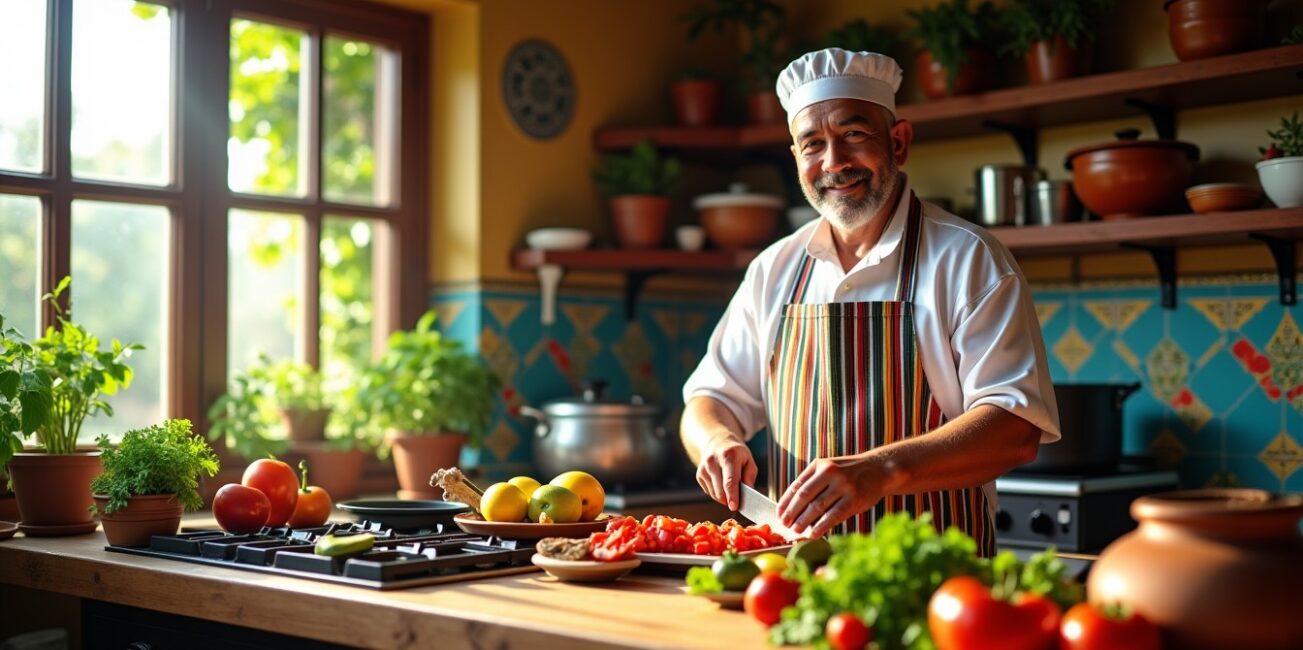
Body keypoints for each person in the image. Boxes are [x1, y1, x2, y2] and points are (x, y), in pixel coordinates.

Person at [679, 48, 1060, 555]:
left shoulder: (968, 258)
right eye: (813, 145)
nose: (834, 162)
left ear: (898, 142)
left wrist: (881, 470)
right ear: (796, 159)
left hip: (938, 579)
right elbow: (711, 400)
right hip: (797, 577)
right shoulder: (774, 269)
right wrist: (716, 442)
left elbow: (1014, 428)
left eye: (854, 135)